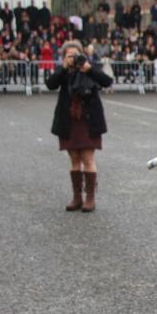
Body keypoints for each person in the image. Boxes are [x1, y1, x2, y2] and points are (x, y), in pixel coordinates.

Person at [46, 40, 112, 213]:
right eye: (70, 56)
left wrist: (88, 68)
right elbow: (50, 84)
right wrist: (64, 68)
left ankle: (90, 198)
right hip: (69, 119)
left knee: (88, 158)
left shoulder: (89, 68)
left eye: (76, 55)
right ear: (64, 58)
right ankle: (77, 197)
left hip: (88, 119)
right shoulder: (64, 73)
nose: (74, 59)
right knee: (74, 158)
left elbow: (107, 81)